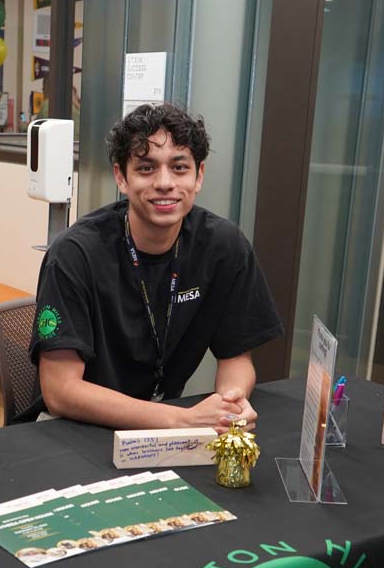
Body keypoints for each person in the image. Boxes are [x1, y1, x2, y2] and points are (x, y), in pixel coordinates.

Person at [29, 103, 283, 433]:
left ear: (198, 176)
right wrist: (183, 419)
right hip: (76, 430)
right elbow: (61, 392)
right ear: (121, 176)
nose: (164, 183)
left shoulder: (224, 247)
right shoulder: (75, 254)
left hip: (163, 429)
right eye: (147, 168)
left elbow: (237, 359)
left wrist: (231, 402)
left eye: (179, 168)